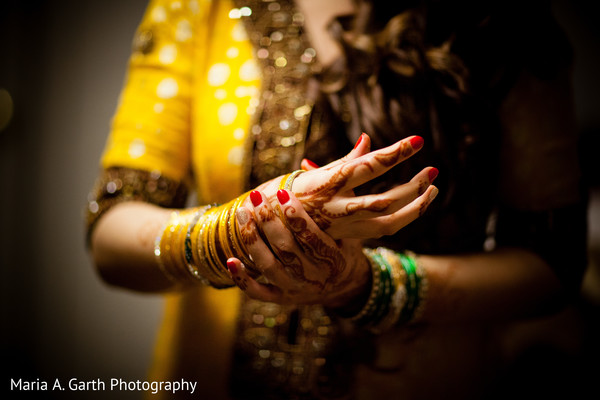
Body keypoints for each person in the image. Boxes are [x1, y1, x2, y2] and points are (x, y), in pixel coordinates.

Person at [85, 0, 588, 398]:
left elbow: (553, 264)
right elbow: (111, 232)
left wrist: (369, 285)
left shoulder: (500, 19)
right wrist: (233, 229)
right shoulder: (203, 7)